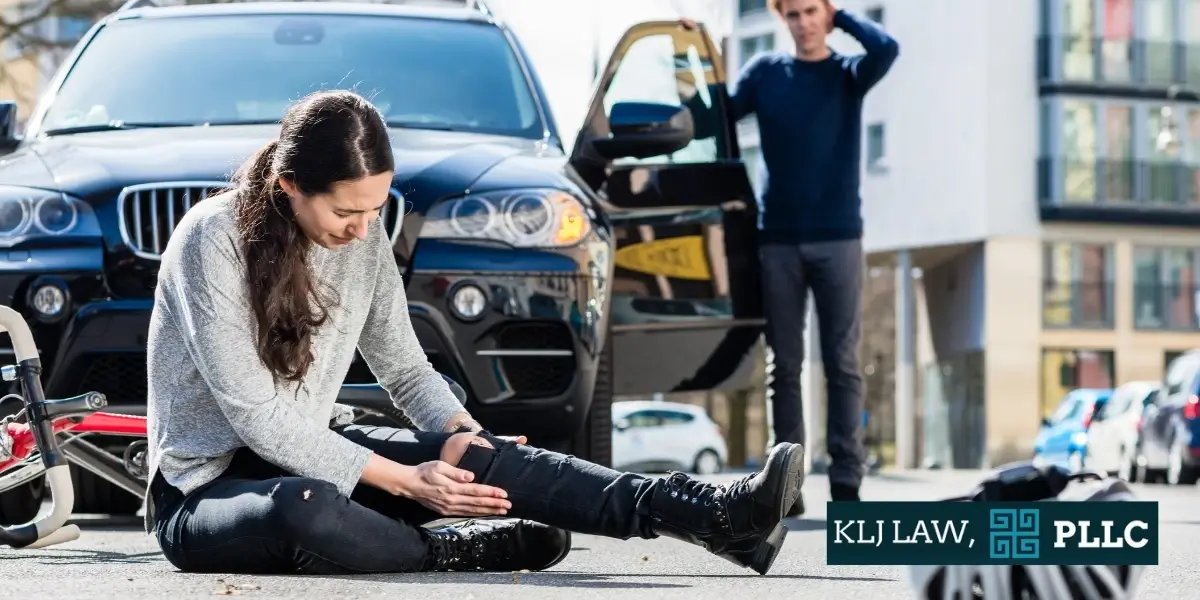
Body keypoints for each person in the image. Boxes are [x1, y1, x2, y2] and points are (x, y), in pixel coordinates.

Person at [143, 89, 806, 576]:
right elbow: (257, 418)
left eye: (376, 208)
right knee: (304, 506)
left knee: (472, 453)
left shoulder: (363, 236)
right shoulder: (212, 239)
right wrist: (408, 481)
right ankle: (449, 551)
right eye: (347, 211)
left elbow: (406, 371)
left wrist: (467, 435)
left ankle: (710, 515)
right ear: (290, 185)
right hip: (205, 493)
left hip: (315, 449)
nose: (363, 227)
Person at [686, 0, 899, 516]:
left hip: (838, 239)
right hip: (778, 240)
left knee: (843, 363)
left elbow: (886, 48)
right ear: (783, 19)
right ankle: (787, 484)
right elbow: (712, 116)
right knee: (783, 365)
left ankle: (846, 483)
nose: (803, 23)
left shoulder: (848, 74)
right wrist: (693, 50)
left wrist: (840, 15)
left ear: (825, 13)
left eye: (811, 11)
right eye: (794, 14)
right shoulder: (766, 73)